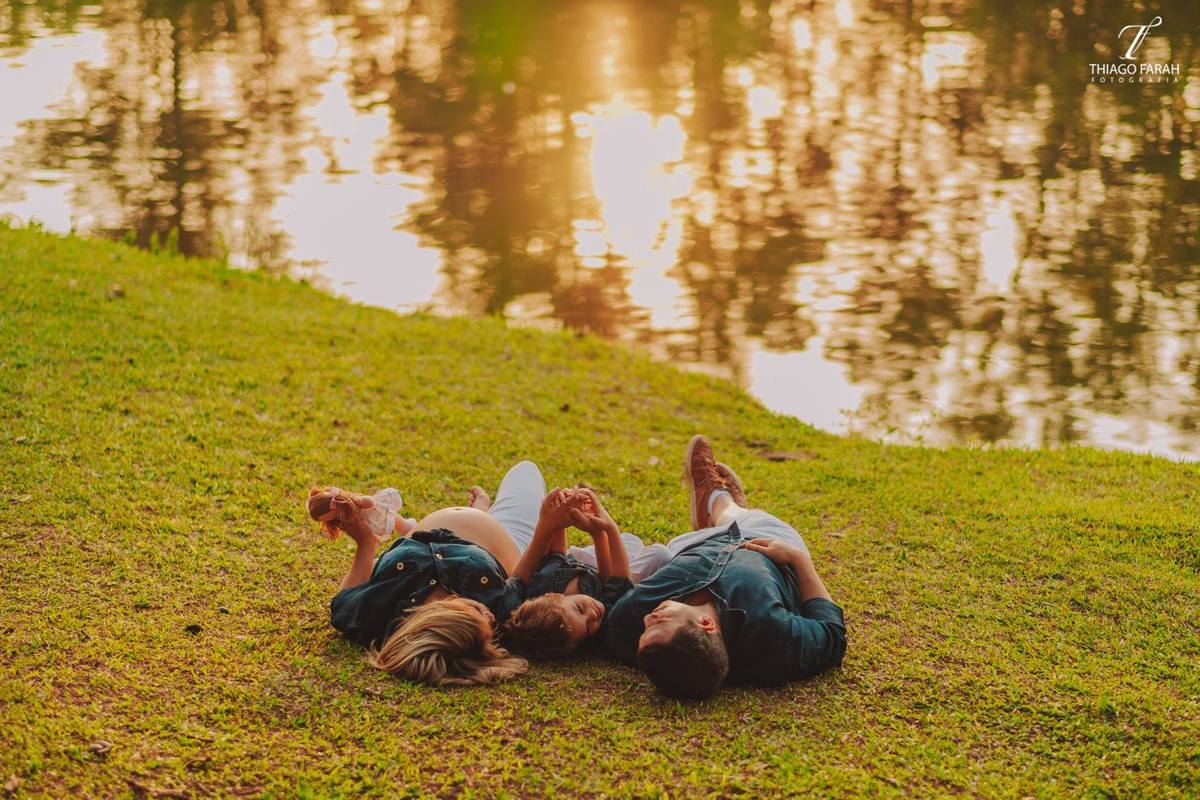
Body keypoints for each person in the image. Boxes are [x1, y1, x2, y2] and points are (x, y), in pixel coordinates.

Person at [604, 436, 847, 699]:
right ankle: (718, 499)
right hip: (767, 538)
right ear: (706, 624)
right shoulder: (772, 637)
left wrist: (602, 531)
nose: (647, 619)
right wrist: (799, 560)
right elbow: (832, 634)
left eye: (645, 630)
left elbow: (607, 597)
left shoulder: (627, 623)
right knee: (741, 515)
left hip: (689, 546)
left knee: (681, 544)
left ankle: (715, 507)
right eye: (660, 621)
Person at [311, 461, 578, 687]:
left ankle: (481, 508)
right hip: (511, 535)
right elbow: (520, 578)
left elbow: (342, 601)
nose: (491, 617)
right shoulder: (502, 613)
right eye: (490, 627)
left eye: (477, 614)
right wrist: (547, 527)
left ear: (445, 612)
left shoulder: (378, 609)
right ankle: (484, 511)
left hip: (446, 528)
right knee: (526, 470)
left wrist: (365, 542)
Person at [501, 487, 669, 658]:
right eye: (588, 627)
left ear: (553, 596)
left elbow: (556, 552)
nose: (592, 615)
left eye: (579, 609)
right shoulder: (604, 621)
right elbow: (616, 580)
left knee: (630, 542)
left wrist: (563, 513)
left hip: (580, 561)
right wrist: (604, 531)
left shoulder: (542, 584)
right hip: (607, 568)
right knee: (659, 553)